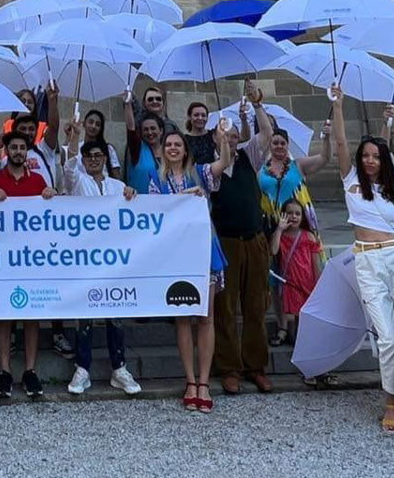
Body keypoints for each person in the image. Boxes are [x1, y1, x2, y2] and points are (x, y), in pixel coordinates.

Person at [330, 85, 394, 434]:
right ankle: (391, 399)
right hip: (367, 260)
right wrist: (337, 105)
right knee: (388, 336)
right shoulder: (350, 180)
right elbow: (339, 144)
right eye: (365, 155)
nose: (369, 160)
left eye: (376, 156)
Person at [53, 124, 143, 397]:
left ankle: (119, 367)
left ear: (105, 159)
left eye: (98, 155)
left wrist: (132, 195)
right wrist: (75, 137)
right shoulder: (79, 181)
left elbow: (133, 212)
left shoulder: (117, 186)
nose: (93, 159)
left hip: (114, 261)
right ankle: (83, 368)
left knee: (115, 314)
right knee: (85, 315)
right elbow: (68, 171)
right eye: (88, 156)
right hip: (85, 259)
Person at [147, 130, 224, 413]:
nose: (172, 148)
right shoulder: (156, 180)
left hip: (203, 249)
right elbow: (156, 212)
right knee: (182, 318)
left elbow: (222, 164)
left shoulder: (201, 173)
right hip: (177, 254)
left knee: (206, 316)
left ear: (185, 149)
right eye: (168, 144)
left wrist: (225, 143)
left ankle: (204, 382)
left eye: (177, 144)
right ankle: (189, 380)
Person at [206, 112, 275, 396]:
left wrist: (258, 106)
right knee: (225, 307)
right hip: (227, 241)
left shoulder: (249, 157)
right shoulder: (210, 167)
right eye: (225, 135)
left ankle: (256, 366)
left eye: (234, 136)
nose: (231, 140)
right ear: (215, 137)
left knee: (256, 304)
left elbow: (267, 135)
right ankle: (229, 368)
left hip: (254, 239)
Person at [0, 129, 52, 399]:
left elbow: (52, 215)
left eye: (23, 147)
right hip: (2, 257)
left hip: (31, 257)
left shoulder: (38, 181)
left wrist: (50, 195)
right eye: (14, 148)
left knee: (31, 314)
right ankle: (5, 370)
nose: (19, 152)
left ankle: (30, 370)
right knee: (4, 314)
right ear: (7, 151)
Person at [272, 198, 322, 345]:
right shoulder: (281, 236)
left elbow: (315, 263)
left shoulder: (309, 236)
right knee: (293, 310)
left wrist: (318, 283)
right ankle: (294, 336)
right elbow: (273, 250)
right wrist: (279, 229)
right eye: (289, 213)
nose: (294, 216)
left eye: (297, 214)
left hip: (307, 280)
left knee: (304, 311)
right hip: (290, 281)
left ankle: (303, 339)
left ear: (302, 217)